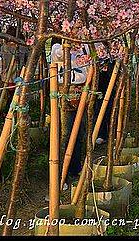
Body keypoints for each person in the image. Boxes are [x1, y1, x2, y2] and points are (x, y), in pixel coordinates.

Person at [50, 37, 91, 183]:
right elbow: (59, 54)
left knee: (80, 132)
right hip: (65, 91)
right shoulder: (57, 47)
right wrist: (70, 42)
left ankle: (75, 167)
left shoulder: (85, 46)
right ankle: (61, 174)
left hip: (81, 91)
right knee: (65, 134)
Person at [93, 42, 114, 145]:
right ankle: (101, 134)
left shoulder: (110, 46)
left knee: (110, 109)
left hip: (109, 82)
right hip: (96, 83)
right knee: (97, 109)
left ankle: (110, 134)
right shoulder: (91, 45)